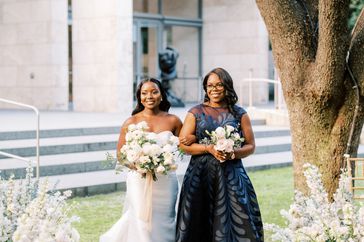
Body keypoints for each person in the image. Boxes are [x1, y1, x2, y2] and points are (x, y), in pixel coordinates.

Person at [100, 78, 194, 242]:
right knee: (141, 220)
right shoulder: (131, 122)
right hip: (138, 179)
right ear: (139, 97)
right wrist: (137, 164)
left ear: (161, 95)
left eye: (154, 91)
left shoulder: (173, 120)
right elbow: (121, 155)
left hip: (165, 180)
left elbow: (184, 149)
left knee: (166, 220)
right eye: (144, 93)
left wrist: (191, 139)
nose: (149, 96)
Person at [176, 68, 264, 242]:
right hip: (200, 176)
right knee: (198, 220)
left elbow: (251, 145)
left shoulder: (240, 114)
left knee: (238, 219)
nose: (214, 89)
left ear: (227, 86)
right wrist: (208, 148)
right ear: (205, 88)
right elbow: (183, 146)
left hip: (231, 175)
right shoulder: (195, 112)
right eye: (210, 85)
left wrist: (232, 153)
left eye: (219, 85)